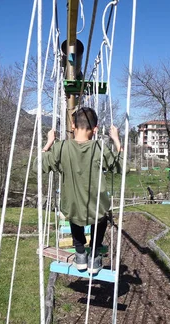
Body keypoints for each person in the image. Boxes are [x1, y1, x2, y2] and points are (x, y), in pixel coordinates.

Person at [36, 107, 122, 274]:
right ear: (95, 129)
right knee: (102, 215)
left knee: (73, 212)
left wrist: (48, 143)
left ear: (73, 126)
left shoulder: (61, 148)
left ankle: (80, 252)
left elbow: (37, 166)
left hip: (73, 208)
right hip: (95, 208)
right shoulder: (99, 147)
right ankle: (95, 254)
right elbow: (121, 166)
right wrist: (117, 141)